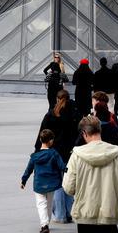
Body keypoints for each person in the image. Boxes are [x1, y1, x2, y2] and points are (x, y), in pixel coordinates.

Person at [36, 90, 77, 223]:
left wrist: (38, 150)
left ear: (56, 99)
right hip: (69, 152)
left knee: (58, 184)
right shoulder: (73, 114)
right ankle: (69, 212)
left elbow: (42, 133)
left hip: (53, 152)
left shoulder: (50, 115)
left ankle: (59, 214)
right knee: (68, 182)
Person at [21, 128, 66, 233]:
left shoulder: (34, 156)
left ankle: (44, 224)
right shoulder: (54, 153)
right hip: (52, 182)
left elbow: (29, 169)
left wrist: (23, 180)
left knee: (41, 204)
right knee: (49, 204)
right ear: (51, 141)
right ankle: (47, 222)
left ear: (41, 140)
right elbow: (62, 166)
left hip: (39, 183)